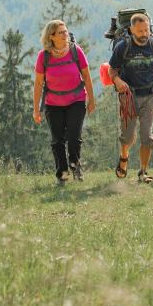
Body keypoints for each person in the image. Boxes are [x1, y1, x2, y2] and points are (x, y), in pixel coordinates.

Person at [109, 13, 153, 182]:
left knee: (146, 136)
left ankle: (143, 172)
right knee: (128, 136)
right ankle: (124, 157)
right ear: (131, 30)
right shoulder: (122, 47)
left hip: (149, 95)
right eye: (140, 31)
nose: (144, 34)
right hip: (128, 97)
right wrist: (118, 81)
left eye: (147, 30)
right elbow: (112, 70)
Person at [33, 19, 95, 183]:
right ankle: (62, 174)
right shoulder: (43, 56)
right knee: (57, 140)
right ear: (51, 36)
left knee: (74, 138)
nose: (65, 34)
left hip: (76, 100)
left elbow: (87, 76)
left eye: (66, 31)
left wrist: (91, 100)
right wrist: (36, 109)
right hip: (53, 104)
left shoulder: (76, 51)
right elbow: (39, 83)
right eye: (61, 32)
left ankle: (75, 168)